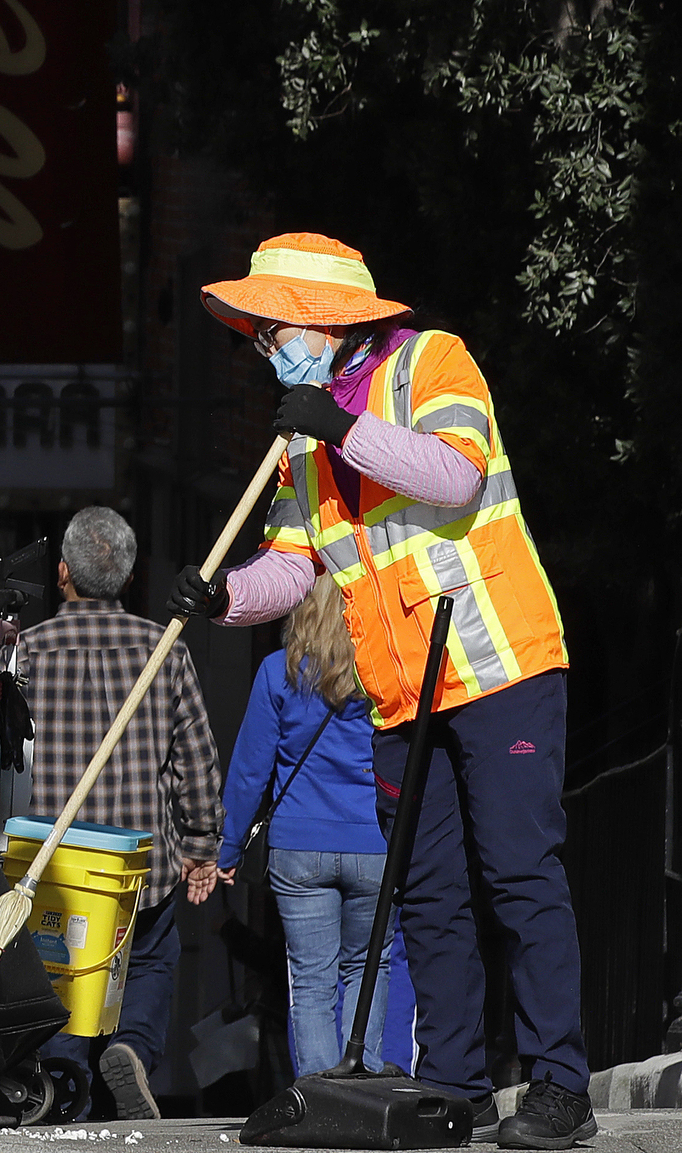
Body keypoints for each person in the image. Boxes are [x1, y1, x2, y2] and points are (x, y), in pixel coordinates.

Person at [173, 234, 587, 1147]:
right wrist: (224, 597)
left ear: (322, 324)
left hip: (497, 667)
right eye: (255, 335)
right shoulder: (301, 446)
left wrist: (339, 424)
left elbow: (456, 472)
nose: (261, 348)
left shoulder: (431, 362)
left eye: (272, 327)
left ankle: (561, 1085)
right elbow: (293, 567)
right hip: (402, 694)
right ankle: (455, 1083)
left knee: (519, 874)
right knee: (428, 893)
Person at [12, 505, 220, 1121]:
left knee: (63, 965)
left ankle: (64, 1073)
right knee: (152, 957)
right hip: (141, 861)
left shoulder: (26, 652)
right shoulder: (165, 649)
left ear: (61, 573)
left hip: (57, 861)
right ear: (130, 579)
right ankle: (131, 1046)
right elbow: (197, 758)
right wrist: (202, 847)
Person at [210, 580, 415, 1078]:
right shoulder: (384, 674)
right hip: (375, 844)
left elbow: (249, 770)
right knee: (369, 968)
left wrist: (229, 848)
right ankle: (364, 1083)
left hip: (299, 847)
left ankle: (319, 1098)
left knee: (311, 980)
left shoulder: (276, 674)